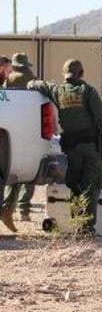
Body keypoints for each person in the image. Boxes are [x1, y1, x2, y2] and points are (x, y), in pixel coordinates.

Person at [28, 59, 102, 235]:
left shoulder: (58, 91)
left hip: (72, 148)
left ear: (65, 74)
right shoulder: (88, 91)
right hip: (91, 148)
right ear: (81, 73)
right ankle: (87, 228)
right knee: (92, 185)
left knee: (75, 186)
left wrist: (30, 81)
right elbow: (101, 117)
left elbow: (34, 84)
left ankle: (77, 224)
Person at [0, 53, 38, 225]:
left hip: (7, 131)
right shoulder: (32, 79)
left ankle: (7, 210)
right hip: (26, 131)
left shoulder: (8, 81)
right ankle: (20, 210)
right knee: (22, 174)